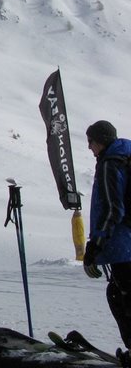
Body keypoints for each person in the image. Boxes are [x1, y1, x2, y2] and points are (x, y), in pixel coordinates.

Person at [84, 120, 131, 347]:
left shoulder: (110, 164)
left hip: (123, 246)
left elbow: (113, 209)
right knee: (118, 293)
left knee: (120, 297)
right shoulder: (125, 157)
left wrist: (95, 246)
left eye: (91, 141)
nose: (89, 147)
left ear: (100, 141)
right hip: (127, 244)